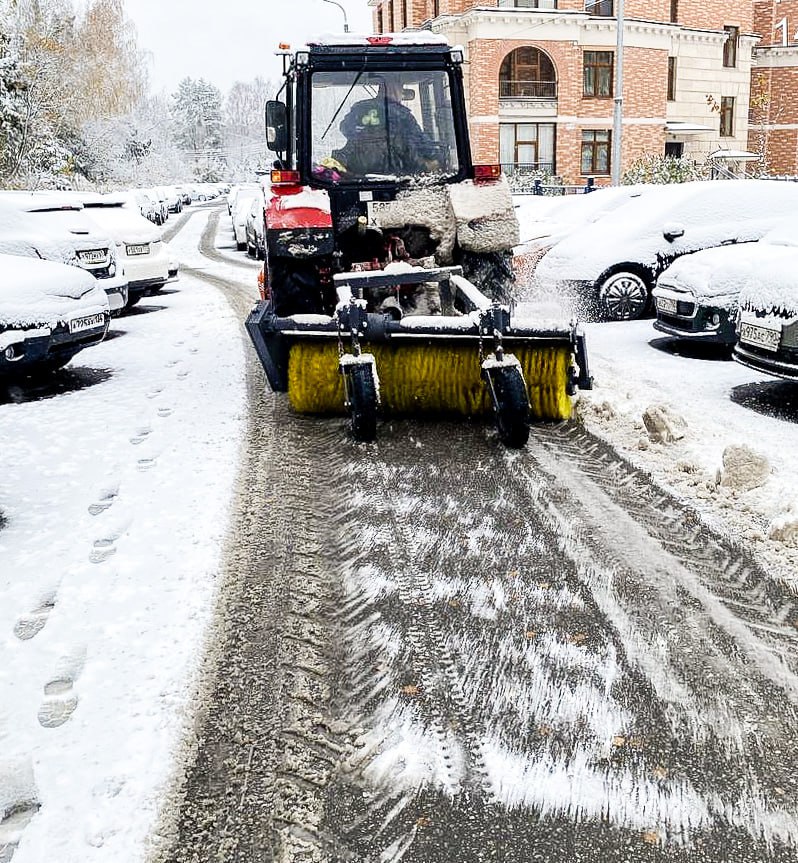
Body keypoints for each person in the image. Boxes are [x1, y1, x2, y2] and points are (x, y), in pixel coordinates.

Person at [332, 79, 442, 176]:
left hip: (356, 174)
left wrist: (365, 132)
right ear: (392, 88)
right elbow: (421, 143)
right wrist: (438, 157)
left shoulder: (359, 108)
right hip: (391, 174)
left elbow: (345, 128)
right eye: (400, 88)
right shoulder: (402, 114)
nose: (401, 93)